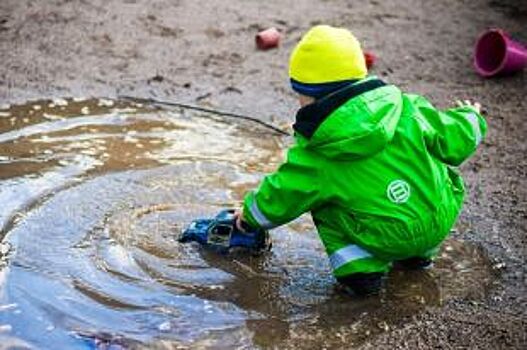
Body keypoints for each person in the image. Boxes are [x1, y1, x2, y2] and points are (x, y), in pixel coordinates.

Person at [234, 25, 487, 296]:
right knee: (428, 170)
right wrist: (471, 116)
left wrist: (249, 217)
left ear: (308, 95)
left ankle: (361, 273)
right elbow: (454, 137)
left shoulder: (317, 153)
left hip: (383, 237)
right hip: (439, 218)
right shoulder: (407, 106)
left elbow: (283, 194)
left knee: (321, 201)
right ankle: (417, 258)